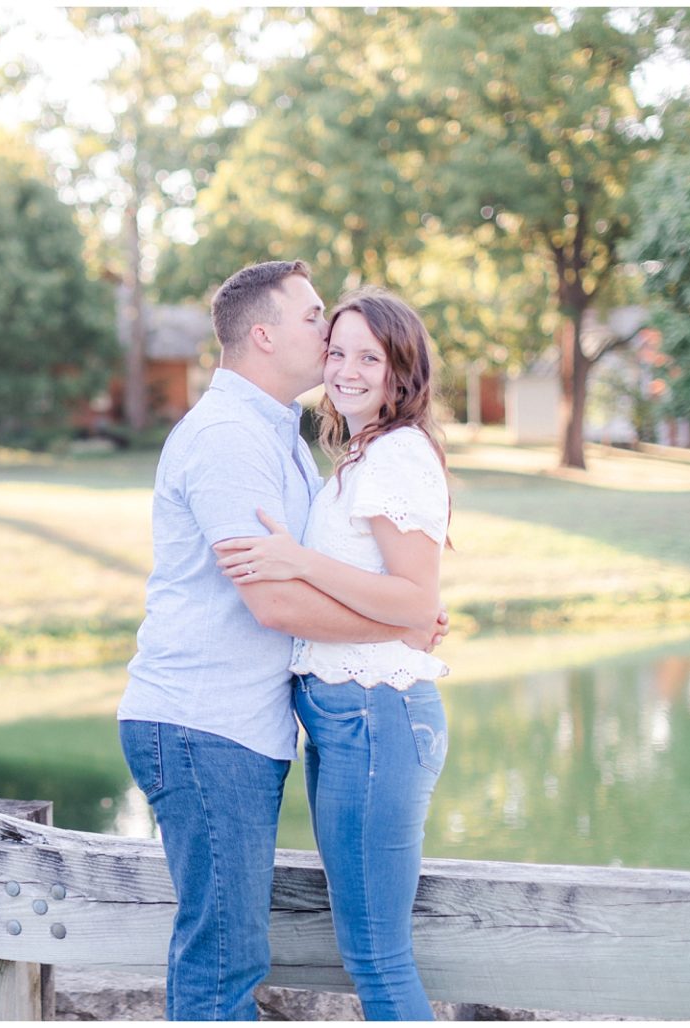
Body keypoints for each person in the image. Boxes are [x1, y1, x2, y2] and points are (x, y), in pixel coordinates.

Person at [117, 262, 445, 1021]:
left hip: (246, 725)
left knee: (242, 951)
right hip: (206, 723)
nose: (328, 333)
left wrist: (403, 610)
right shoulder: (231, 437)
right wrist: (404, 620)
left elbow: (349, 577)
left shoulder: (285, 436)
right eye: (315, 318)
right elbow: (274, 601)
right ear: (263, 334)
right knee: (225, 960)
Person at [213, 286, 452, 1020]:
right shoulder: (358, 454)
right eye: (337, 350)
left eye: (368, 357)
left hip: (377, 720)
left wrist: (297, 561)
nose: (347, 369)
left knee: (379, 958)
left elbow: (415, 601)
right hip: (347, 722)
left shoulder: (397, 457)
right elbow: (402, 607)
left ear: (400, 370)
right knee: (366, 951)